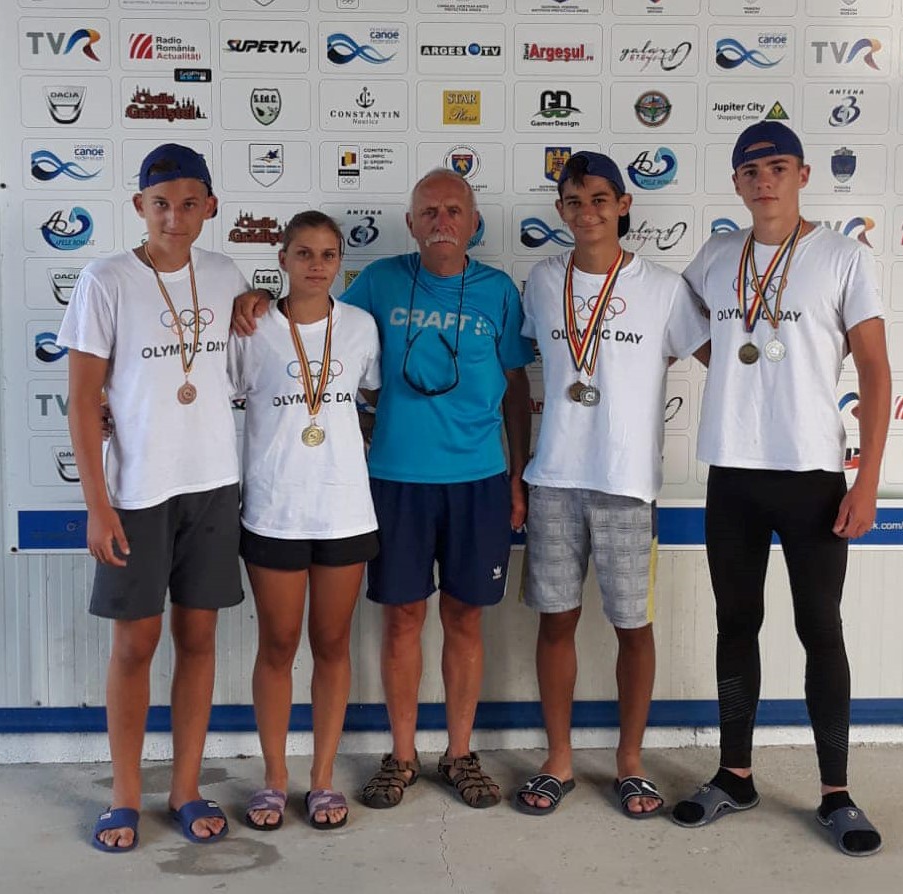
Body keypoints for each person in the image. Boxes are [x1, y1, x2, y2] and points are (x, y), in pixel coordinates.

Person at [232, 169, 534, 811]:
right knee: (402, 618)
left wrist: (517, 474)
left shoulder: (500, 290)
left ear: (473, 220)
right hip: (395, 481)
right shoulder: (378, 282)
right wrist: (255, 296)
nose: (441, 222)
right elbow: (313, 322)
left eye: (454, 211)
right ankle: (402, 756)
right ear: (410, 222)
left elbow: (516, 385)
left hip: (478, 479)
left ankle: (459, 752)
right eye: (429, 211)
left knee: (465, 618)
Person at [673, 121, 891, 857]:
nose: (763, 180)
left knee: (820, 629)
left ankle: (836, 792)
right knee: (735, 625)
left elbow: (875, 370)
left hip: (812, 476)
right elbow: (683, 324)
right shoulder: (716, 255)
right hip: (732, 473)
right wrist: (740, 373)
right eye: (750, 170)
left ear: (802, 175)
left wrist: (867, 481)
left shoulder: (842, 256)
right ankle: (735, 776)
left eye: (777, 167)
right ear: (736, 183)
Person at [59, 144, 246, 852]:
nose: (175, 216)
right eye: (161, 203)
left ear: (210, 207)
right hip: (137, 492)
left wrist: (260, 303)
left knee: (198, 640)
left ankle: (187, 787)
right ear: (140, 206)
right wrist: (97, 504)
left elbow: (247, 356)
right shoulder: (104, 279)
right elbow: (83, 399)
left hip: (211, 485)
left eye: (190, 203)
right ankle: (125, 796)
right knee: (135, 644)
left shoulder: (226, 276)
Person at [513, 152, 702, 819]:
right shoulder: (542, 282)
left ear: (624, 205)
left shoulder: (664, 288)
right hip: (555, 479)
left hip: (627, 483)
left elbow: (707, 353)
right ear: (560, 210)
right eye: (574, 200)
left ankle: (630, 761)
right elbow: (518, 365)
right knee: (556, 622)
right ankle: (559, 759)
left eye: (600, 199)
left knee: (633, 626)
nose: (587, 211)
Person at [232, 212, 381, 832]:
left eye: (327, 254)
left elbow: (373, 400)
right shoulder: (251, 327)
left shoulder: (362, 327)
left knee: (332, 644)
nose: (316, 265)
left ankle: (321, 780)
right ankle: (274, 779)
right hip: (275, 511)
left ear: (340, 261)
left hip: (344, 509)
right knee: (277, 645)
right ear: (282, 258)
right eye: (303, 253)